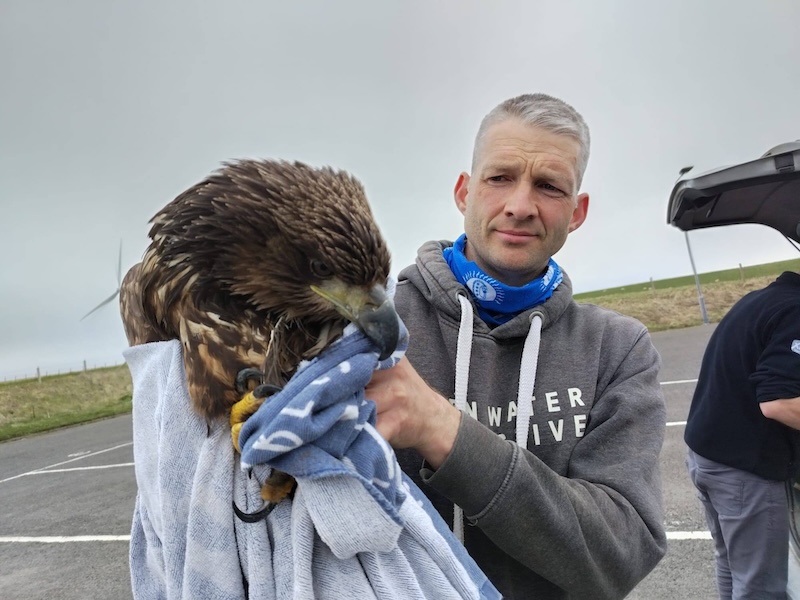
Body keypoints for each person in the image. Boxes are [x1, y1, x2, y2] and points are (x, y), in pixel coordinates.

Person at [366, 93, 668, 599]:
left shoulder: (617, 348)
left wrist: (443, 430)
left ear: (577, 211)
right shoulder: (373, 328)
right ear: (464, 192)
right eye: (499, 177)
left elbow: (622, 552)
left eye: (549, 186)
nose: (521, 206)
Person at [684, 271, 800, 599]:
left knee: (734, 566)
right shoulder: (796, 311)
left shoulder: (762, 298)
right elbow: (778, 401)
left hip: (707, 455)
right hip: (744, 469)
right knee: (761, 584)